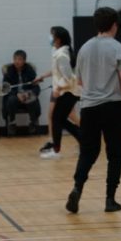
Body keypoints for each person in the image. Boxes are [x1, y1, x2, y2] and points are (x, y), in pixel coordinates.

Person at [65, 7, 121, 214]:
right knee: (115, 154)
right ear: (114, 25)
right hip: (112, 107)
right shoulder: (118, 48)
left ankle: (77, 188)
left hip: (89, 108)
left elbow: (80, 81)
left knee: (88, 152)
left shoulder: (84, 48)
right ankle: (110, 200)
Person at [36, 27, 81, 159]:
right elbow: (58, 72)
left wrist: (58, 89)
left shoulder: (61, 55)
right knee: (60, 120)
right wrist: (43, 76)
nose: (50, 37)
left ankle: (56, 151)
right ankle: (84, 142)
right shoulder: (59, 52)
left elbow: (69, 79)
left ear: (58, 39)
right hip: (67, 92)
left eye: (52, 35)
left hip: (68, 92)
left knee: (56, 119)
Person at [2, 50, 41, 136]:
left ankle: (32, 123)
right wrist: (17, 94)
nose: (17, 61)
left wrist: (28, 93)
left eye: (19, 59)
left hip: (27, 95)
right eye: (15, 59)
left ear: (24, 61)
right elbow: (5, 88)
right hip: (14, 95)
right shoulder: (9, 71)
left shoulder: (30, 70)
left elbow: (36, 87)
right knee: (11, 100)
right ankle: (12, 123)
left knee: (32, 99)